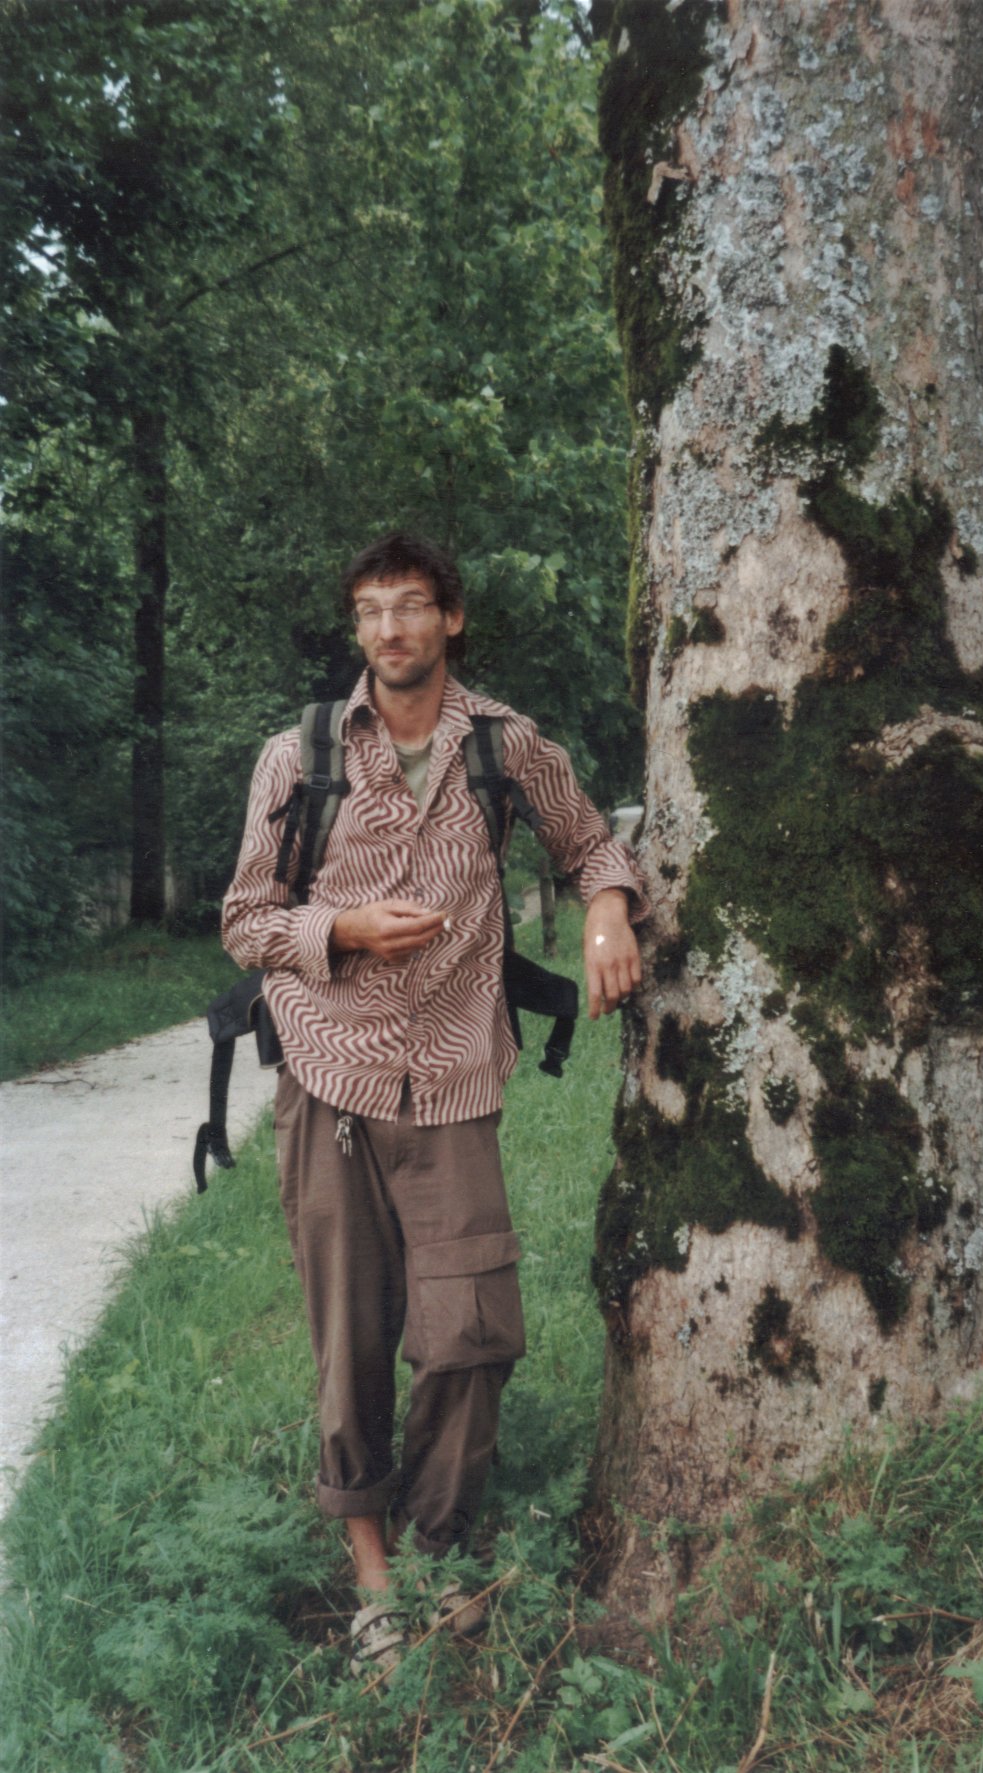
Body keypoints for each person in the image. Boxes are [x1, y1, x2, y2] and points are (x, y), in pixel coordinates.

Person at [222, 531, 646, 1672]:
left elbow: (591, 842)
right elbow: (247, 920)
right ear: (356, 627)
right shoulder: (297, 754)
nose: (390, 630)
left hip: (456, 1076)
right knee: (349, 1337)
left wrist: (607, 909)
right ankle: (375, 1590)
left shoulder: (509, 747)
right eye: (370, 611)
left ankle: (440, 1549)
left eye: (411, 606)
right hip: (328, 1075)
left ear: (451, 618)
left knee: (473, 1334)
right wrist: (340, 930)